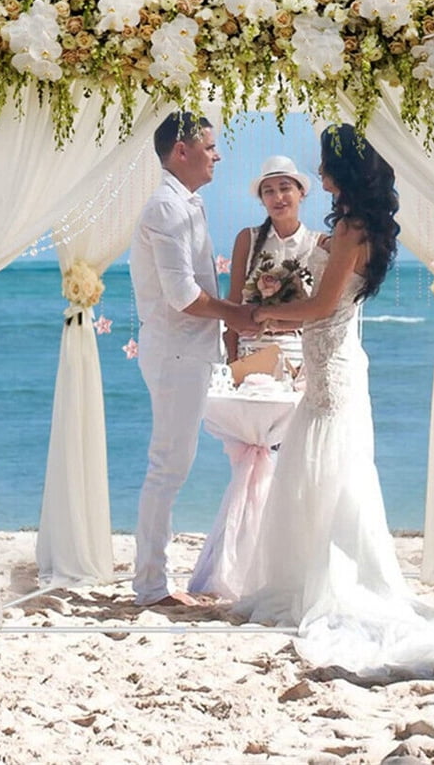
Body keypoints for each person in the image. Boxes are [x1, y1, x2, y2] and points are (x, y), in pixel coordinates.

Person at [233, 123, 434, 680]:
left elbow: (321, 307)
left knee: (333, 473)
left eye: (324, 163)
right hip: (327, 360)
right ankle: (306, 575)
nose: (318, 171)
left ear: (342, 171)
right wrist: (277, 315)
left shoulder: (353, 228)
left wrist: (264, 313)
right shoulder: (353, 226)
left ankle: (334, 581)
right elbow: (324, 306)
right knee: (317, 471)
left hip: (332, 368)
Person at [129, 112, 258, 607]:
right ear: (181, 151)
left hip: (190, 350)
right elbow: (183, 295)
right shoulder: (166, 208)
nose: (217, 155)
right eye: (209, 146)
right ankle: (150, 587)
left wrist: (231, 325)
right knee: (167, 468)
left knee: (171, 466)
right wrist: (237, 314)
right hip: (176, 352)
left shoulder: (188, 204)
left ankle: (155, 581)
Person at [222, 155, 321, 373]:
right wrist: (232, 363)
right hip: (250, 354)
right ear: (262, 199)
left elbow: (322, 311)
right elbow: (234, 303)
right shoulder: (247, 239)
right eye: (269, 191)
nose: (278, 197)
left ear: (301, 193)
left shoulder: (319, 244)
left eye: (285, 188)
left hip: (301, 355)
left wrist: (277, 320)